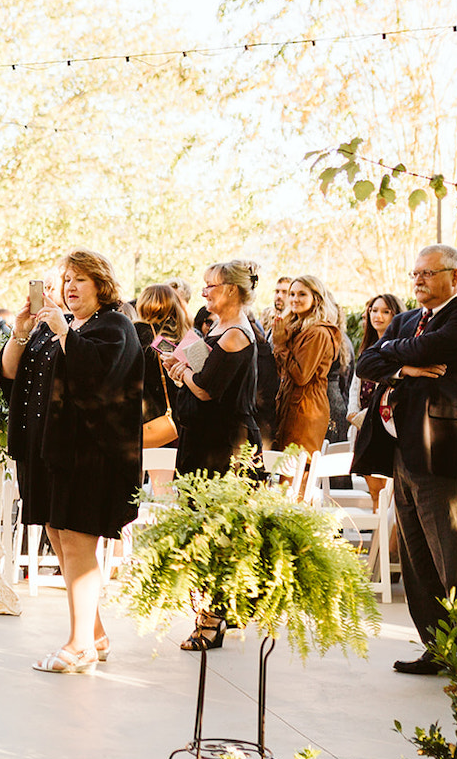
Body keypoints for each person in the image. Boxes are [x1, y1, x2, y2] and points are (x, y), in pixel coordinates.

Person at [353, 245, 457, 675]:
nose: (416, 280)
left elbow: (428, 347)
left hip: (447, 455)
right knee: (419, 562)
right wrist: (404, 369)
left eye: (427, 273)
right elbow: (366, 361)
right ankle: (439, 648)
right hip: (405, 454)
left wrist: (396, 355)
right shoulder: (406, 321)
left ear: (455, 277)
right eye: (414, 273)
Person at [0, 250, 141, 675]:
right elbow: (10, 372)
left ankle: (79, 647)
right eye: (65, 280)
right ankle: (94, 634)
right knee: (59, 540)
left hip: (89, 456)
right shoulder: (53, 326)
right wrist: (22, 331)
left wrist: (63, 331)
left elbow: (98, 379)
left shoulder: (114, 326)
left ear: (101, 284)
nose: (70, 287)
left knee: (79, 542)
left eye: (80, 279)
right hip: (50, 451)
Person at [162, 261, 264, 651]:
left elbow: (205, 389)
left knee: (217, 532)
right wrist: (181, 369)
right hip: (202, 439)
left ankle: (213, 619)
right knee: (202, 528)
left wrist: (183, 371)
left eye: (211, 286)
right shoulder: (217, 329)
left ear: (233, 290)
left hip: (224, 445)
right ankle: (211, 612)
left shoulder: (236, 334)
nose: (204, 293)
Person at [271, 274, 342, 457]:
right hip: (290, 404)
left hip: (306, 409)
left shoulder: (318, 332)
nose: (295, 299)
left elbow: (301, 376)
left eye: (302, 294)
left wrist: (280, 345)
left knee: (295, 473)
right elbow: (282, 372)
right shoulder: (297, 329)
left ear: (316, 299)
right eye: (292, 294)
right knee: (284, 471)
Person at [347, 293, 402, 508]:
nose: (378, 316)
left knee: (388, 497)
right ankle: (379, 542)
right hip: (361, 426)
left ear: (395, 316)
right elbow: (356, 383)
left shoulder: (397, 348)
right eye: (374, 310)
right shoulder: (368, 346)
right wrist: (352, 412)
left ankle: (388, 542)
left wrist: (367, 416)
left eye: (385, 311)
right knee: (374, 494)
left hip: (383, 426)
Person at [134, 284, 192, 484]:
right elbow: (206, 376)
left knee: (136, 495)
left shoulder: (135, 332)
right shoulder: (188, 336)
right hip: (180, 423)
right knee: (165, 492)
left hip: (144, 423)